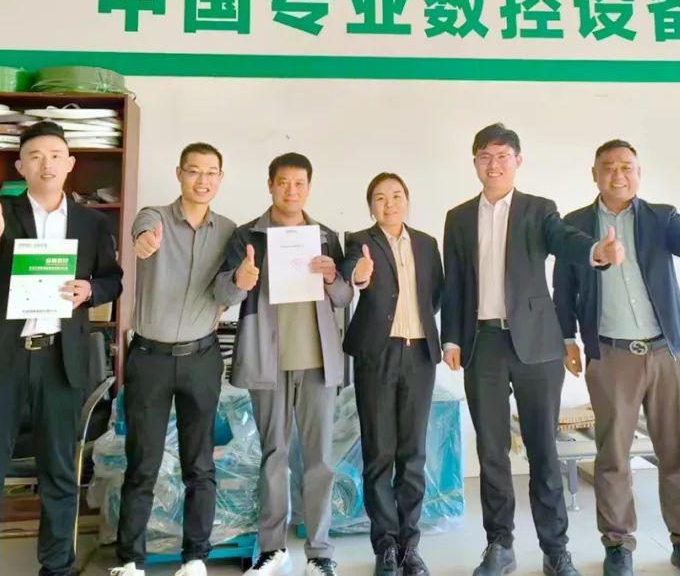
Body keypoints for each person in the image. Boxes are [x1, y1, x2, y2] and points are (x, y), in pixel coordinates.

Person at [441, 123, 625, 576]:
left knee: (543, 450)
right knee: (491, 451)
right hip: (482, 343)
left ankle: (555, 550)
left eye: (503, 156)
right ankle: (499, 545)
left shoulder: (539, 209)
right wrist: (452, 337)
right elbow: (455, 282)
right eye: (485, 156)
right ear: (475, 162)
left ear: (517, 161)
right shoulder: (458, 217)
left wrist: (595, 252)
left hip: (537, 345)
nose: (494, 164)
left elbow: (563, 240)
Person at [0, 121, 122, 576]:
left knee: (61, 474)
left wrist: (91, 290)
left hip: (59, 360)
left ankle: (57, 568)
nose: (47, 164)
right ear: (21, 166)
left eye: (55, 155)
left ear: (70, 164)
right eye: (36, 156)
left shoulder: (91, 222)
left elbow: (113, 279)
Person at [553, 140, 680, 576]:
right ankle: (617, 546)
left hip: (667, 352)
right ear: (594, 174)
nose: (618, 175)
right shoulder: (575, 225)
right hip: (611, 356)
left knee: (676, 452)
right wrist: (568, 339)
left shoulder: (662, 217)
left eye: (627, 167)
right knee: (612, 456)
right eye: (608, 167)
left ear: (639, 173)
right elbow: (563, 287)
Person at [216, 153, 351, 576]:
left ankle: (320, 552)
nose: (291, 191)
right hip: (268, 361)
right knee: (273, 455)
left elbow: (344, 297)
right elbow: (224, 294)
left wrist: (332, 278)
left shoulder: (325, 237)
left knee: (319, 459)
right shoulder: (246, 236)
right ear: (270, 185)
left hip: (317, 364)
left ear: (309, 187)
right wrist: (239, 280)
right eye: (283, 183)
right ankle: (273, 549)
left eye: (299, 183)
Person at [111, 143, 237, 576]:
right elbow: (142, 233)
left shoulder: (229, 231)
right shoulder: (155, 217)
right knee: (142, 463)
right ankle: (130, 560)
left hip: (201, 357)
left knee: (199, 465)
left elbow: (226, 292)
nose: (203, 180)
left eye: (211, 172)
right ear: (179, 173)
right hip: (150, 358)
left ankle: (195, 557)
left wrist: (241, 282)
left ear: (220, 178)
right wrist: (144, 242)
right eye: (194, 171)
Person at [340, 173, 444, 576]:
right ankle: (384, 545)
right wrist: (361, 273)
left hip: (419, 355)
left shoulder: (426, 244)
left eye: (397, 196)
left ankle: (409, 547)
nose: (390, 204)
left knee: (413, 455)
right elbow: (353, 274)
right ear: (371, 207)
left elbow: (435, 295)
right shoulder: (358, 240)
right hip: (377, 355)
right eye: (380, 198)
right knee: (379, 454)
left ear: (408, 201)